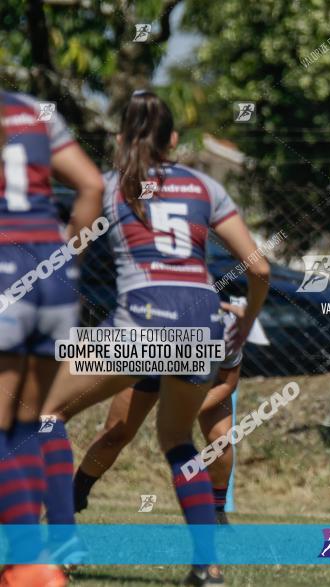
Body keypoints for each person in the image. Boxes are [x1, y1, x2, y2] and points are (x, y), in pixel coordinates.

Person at [40, 90, 269, 587]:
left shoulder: (108, 186)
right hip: (202, 319)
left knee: (47, 412)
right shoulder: (206, 186)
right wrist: (245, 324)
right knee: (176, 440)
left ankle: (62, 541)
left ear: (122, 137)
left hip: (142, 316)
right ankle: (207, 566)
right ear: (172, 139)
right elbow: (261, 268)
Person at [0, 89, 103, 587]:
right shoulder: (33, 109)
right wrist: (69, 260)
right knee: (32, 419)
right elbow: (90, 185)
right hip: (52, 275)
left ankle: (29, 560)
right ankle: (52, 543)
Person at [72, 302, 265, 524]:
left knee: (221, 440)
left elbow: (226, 384)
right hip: (152, 365)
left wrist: (191, 408)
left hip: (205, 381)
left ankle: (217, 511)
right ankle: (76, 494)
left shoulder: (227, 331)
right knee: (115, 435)